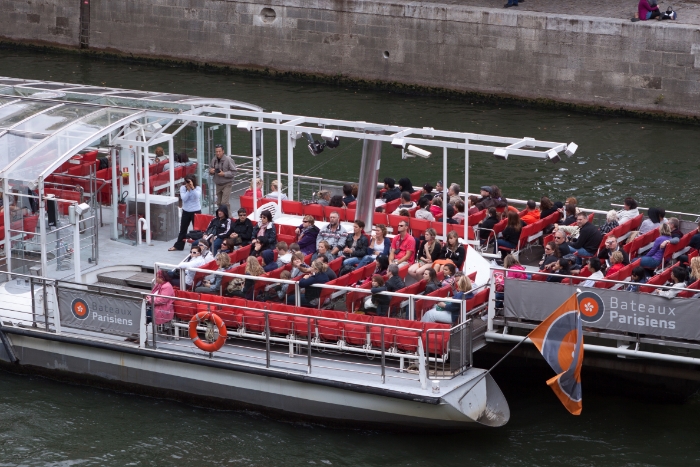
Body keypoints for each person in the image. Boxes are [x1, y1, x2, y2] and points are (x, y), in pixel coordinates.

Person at [170, 175, 201, 251]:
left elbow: (197, 196)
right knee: (183, 229)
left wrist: (192, 188)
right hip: (186, 211)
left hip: (196, 211)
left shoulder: (198, 188)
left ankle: (198, 247)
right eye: (186, 181)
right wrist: (188, 190)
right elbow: (184, 199)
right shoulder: (183, 188)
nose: (187, 183)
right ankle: (178, 246)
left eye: (189, 181)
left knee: (197, 231)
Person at [208, 144, 236, 213]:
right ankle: (222, 218)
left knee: (224, 203)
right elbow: (210, 169)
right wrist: (211, 171)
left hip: (227, 183)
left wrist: (224, 174)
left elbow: (234, 172)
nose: (218, 153)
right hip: (218, 184)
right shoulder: (214, 159)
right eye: (216, 151)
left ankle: (229, 218)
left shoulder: (228, 160)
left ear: (223, 151)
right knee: (219, 203)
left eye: (219, 151)